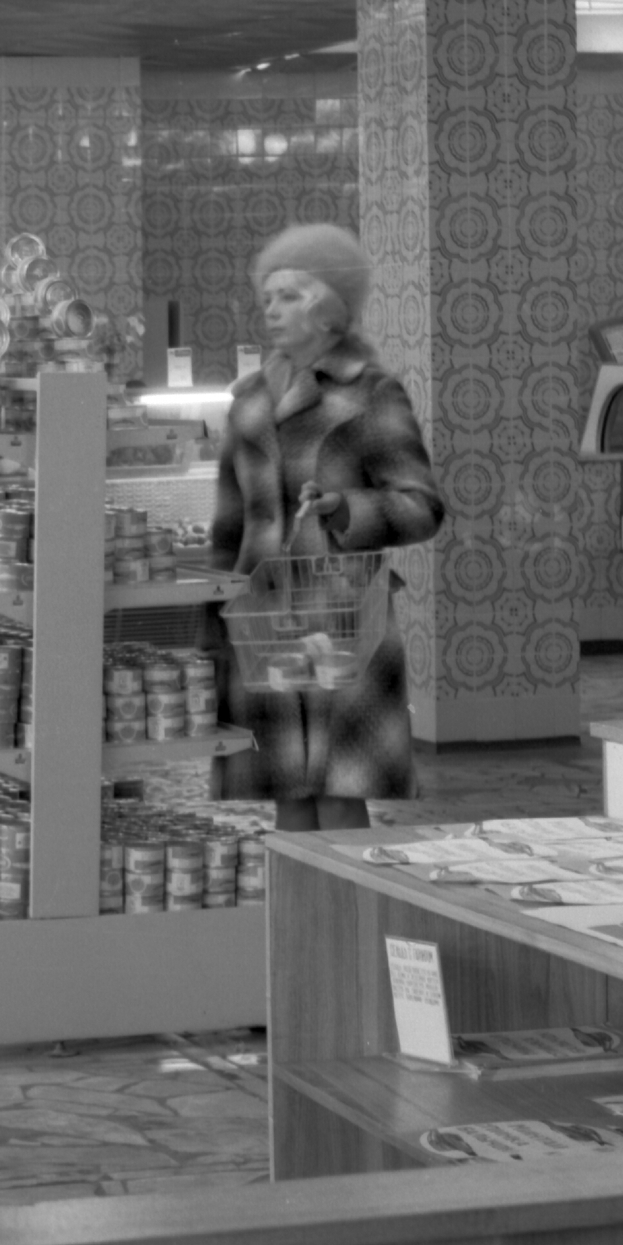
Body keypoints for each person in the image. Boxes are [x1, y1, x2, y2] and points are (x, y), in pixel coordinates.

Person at [209, 224, 443, 833]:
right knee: (285, 793)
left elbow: (421, 506)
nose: (272, 310)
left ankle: (347, 898)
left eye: (288, 295)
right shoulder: (249, 401)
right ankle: (297, 900)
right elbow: (228, 525)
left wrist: (347, 510)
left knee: (341, 793)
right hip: (261, 625)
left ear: (328, 305)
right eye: (268, 297)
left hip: (345, 623)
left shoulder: (370, 394)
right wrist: (213, 620)